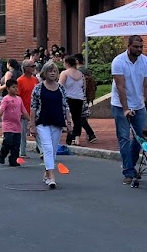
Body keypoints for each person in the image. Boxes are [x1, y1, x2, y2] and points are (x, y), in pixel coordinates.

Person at [111, 35, 147, 184]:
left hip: (139, 104)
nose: (139, 49)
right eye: (136, 47)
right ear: (128, 46)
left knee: (141, 138)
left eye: (141, 47)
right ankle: (128, 172)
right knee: (124, 138)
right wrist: (125, 109)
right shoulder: (118, 61)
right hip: (120, 104)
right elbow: (120, 87)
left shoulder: (146, 62)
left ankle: (130, 164)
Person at [29, 61, 71, 189]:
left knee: (52, 150)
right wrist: (32, 125)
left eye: (55, 71)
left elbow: (66, 106)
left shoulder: (61, 88)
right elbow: (33, 107)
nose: (53, 73)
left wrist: (69, 122)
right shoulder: (38, 88)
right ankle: (52, 177)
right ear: (44, 73)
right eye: (50, 71)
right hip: (42, 122)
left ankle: (47, 174)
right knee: (47, 148)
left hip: (57, 122)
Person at [61, 56, 95, 147]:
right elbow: (83, 87)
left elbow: (60, 86)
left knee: (68, 118)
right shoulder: (80, 74)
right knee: (77, 119)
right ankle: (76, 139)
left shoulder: (64, 73)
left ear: (67, 63)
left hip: (68, 98)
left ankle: (69, 137)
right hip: (79, 98)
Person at [0, 83, 25, 167]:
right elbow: (1, 109)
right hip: (8, 125)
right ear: (8, 89)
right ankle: (2, 154)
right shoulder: (6, 99)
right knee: (8, 142)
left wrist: (31, 121)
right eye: (13, 87)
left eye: (16, 87)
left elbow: (23, 111)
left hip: (17, 126)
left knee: (16, 145)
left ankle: (13, 160)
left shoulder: (19, 99)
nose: (16, 89)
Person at [16, 60, 39, 160]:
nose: (34, 68)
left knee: (38, 132)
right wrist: (20, 111)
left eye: (34, 66)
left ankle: (42, 151)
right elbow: (17, 96)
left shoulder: (35, 80)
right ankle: (22, 152)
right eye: (32, 66)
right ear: (25, 68)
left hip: (35, 111)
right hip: (24, 111)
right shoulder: (20, 81)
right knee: (23, 132)